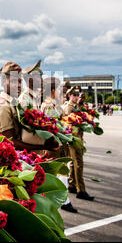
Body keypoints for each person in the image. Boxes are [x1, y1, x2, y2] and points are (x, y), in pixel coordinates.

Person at [0, 62, 59, 153]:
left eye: (20, 81)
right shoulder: (4, 105)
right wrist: (44, 146)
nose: (18, 85)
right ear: (3, 82)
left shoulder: (14, 103)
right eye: (13, 81)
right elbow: (10, 142)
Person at [41, 77, 78, 213]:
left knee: (62, 174)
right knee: (59, 173)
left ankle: (64, 200)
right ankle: (62, 201)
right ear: (52, 90)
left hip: (59, 144)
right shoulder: (49, 105)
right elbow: (53, 128)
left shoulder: (54, 103)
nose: (60, 91)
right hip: (55, 145)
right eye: (58, 89)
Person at [62, 86, 95, 201]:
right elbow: (67, 124)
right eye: (74, 95)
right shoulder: (68, 108)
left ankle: (72, 184)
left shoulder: (76, 106)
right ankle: (81, 190)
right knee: (78, 163)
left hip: (77, 137)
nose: (77, 97)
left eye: (78, 95)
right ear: (69, 95)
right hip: (73, 139)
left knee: (73, 162)